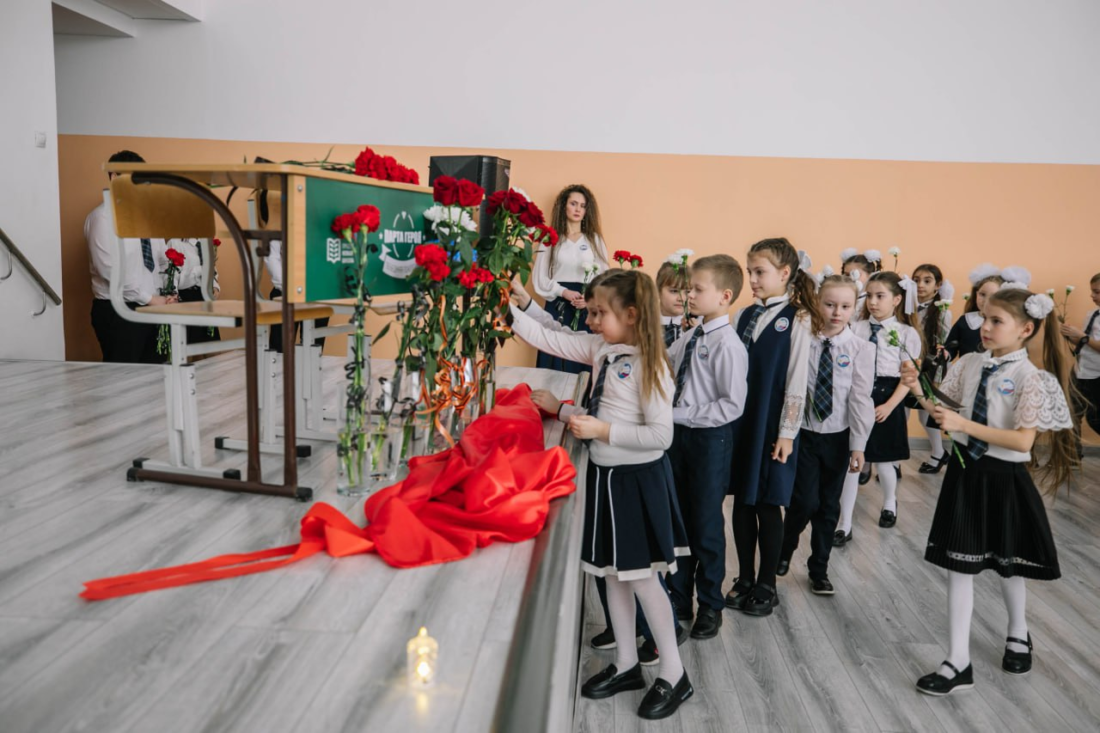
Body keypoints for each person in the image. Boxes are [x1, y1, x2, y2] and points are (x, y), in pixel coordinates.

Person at [510, 269, 693, 720]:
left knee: (643, 580)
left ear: (630, 315)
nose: (590, 321)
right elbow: (550, 338)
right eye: (590, 312)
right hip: (606, 480)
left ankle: (674, 673)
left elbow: (661, 436)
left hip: (637, 483)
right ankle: (627, 663)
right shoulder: (602, 348)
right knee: (613, 576)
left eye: (598, 313)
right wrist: (508, 311)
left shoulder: (651, 364)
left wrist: (602, 431)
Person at [903, 284, 1075, 695]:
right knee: (959, 566)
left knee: (1007, 561)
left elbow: (1022, 441)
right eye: (984, 318)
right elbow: (945, 411)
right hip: (966, 476)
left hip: (1005, 478)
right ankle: (957, 662)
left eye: (997, 321)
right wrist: (917, 390)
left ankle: (1018, 632)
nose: (985, 327)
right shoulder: (970, 364)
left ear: (1026, 329)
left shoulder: (1030, 378)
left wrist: (964, 425)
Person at [725, 238, 817, 617]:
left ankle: (767, 583)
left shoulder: (798, 319)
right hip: (741, 423)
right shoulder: (742, 315)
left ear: (784, 273)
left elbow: (797, 381)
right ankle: (745, 577)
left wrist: (787, 434)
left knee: (767, 503)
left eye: (759, 272)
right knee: (741, 502)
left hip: (773, 425)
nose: (752, 279)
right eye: (750, 272)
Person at [665, 255, 748, 637]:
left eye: (698, 289)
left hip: (710, 441)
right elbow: (668, 363)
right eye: (689, 288)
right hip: (679, 437)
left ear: (724, 296)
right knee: (679, 520)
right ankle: (679, 597)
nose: (689, 295)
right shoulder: (692, 335)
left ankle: (711, 604)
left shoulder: (728, 345)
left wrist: (677, 414)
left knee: (706, 524)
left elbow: (731, 406)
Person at [777, 274, 874, 595]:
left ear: (854, 307)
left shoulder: (861, 349)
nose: (837, 312)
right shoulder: (802, 340)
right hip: (803, 433)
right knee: (803, 501)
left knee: (829, 505)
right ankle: (785, 548)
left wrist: (858, 445)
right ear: (817, 303)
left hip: (838, 437)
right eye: (830, 304)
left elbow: (860, 398)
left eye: (845, 306)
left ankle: (819, 568)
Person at [838, 271, 922, 537]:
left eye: (880, 296)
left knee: (885, 462)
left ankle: (889, 503)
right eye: (869, 296)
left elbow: (908, 378)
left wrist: (889, 406)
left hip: (887, 399)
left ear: (897, 300)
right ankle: (844, 523)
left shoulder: (906, 333)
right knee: (852, 462)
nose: (872, 302)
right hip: (858, 398)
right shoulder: (856, 327)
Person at [87, 150, 176, 364]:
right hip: (118, 311)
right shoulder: (101, 218)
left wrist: (168, 293)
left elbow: (162, 260)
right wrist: (151, 299)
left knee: (155, 374)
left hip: (154, 308)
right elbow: (110, 270)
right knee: (123, 378)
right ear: (114, 177)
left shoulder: (147, 218)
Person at [530, 184, 609, 374]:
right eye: (573, 204)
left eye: (582, 206)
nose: (578, 209)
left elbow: (604, 278)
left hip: (585, 306)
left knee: (583, 356)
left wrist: (590, 299)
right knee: (554, 354)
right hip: (558, 305)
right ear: (564, 206)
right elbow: (540, 278)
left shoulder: (594, 240)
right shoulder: (550, 239)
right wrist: (563, 292)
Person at [911, 263, 954, 474]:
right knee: (901, 412)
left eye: (927, 281)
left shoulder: (942, 312)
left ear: (937, 286)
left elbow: (943, 345)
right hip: (908, 364)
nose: (920, 285)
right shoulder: (907, 307)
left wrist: (938, 375)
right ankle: (893, 463)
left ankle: (938, 452)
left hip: (929, 367)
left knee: (926, 413)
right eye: (916, 280)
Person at [263, 240, 328, 353]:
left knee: (313, 349)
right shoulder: (277, 229)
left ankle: (309, 364)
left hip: (318, 290)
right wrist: (288, 287)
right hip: (285, 290)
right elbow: (272, 257)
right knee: (280, 349)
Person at [1060, 273, 1100, 454]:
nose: (1092, 296)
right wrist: (1071, 335)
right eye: (1092, 291)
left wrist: (1082, 337)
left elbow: (1087, 339)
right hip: (1080, 370)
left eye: (1097, 292)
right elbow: (1085, 342)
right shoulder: (1092, 314)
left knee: (1095, 419)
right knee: (1071, 413)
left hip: (1097, 374)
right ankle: (1073, 455)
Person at [162, 238, 221, 344]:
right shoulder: (175, 243)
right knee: (188, 346)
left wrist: (215, 286)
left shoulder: (205, 244)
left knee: (210, 345)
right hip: (186, 299)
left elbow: (213, 270)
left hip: (205, 300)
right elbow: (173, 278)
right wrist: (198, 270)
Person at [942, 264, 1004, 361]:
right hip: (966, 369)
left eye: (993, 296)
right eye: (982, 294)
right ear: (976, 294)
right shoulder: (966, 320)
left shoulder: (1004, 323)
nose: (986, 300)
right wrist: (945, 354)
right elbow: (950, 348)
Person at [656, 261, 692, 347]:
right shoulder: (645, 324)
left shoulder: (697, 325)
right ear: (658, 291)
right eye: (674, 291)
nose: (681, 298)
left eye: (687, 292)